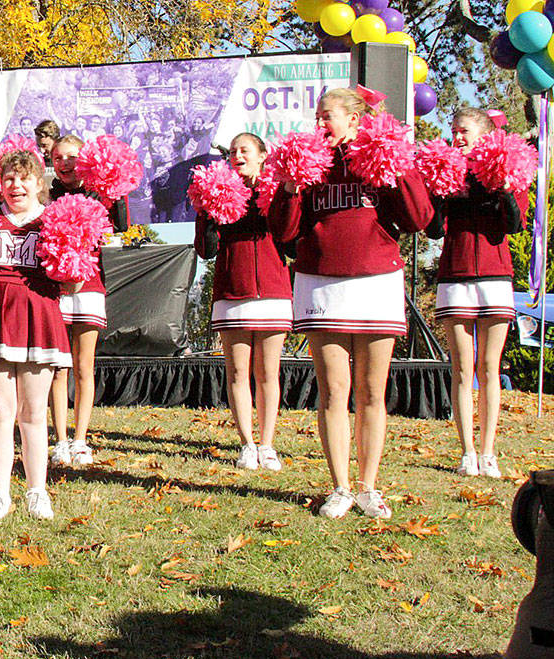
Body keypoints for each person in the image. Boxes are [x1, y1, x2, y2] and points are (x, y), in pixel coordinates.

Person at [268, 87, 433, 519]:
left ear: (355, 120)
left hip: (377, 279)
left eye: (328, 116)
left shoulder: (378, 157)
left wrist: (398, 165)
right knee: (332, 392)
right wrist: (288, 186)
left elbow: (418, 219)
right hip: (322, 282)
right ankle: (339, 486)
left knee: (372, 392)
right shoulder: (307, 162)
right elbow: (284, 232)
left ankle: (368, 487)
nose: (319, 124)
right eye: (317, 117)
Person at [0, 150, 70, 521]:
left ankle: (37, 491)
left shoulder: (55, 222)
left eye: (24, 178)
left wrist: (71, 257)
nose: (16, 185)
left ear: (39, 184)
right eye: (9, 178)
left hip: (38, 317)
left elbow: (71, 282)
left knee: (33, 411)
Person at [426, 108, 526, 479]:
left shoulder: (506, 167)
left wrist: (502, 190)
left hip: (495, 275)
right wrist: (439, 192)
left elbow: (514, 226)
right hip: (454, 276)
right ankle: (466, 451)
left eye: (463, 131)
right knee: (462, 368)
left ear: (484, 134)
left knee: (489, 367)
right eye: (453, 131)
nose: (457, 137)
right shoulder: (447, 169)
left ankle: (488, 452)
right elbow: (434, 230)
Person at [194, 134, 292, 471]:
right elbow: (206, 250)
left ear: (263, 156)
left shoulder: (277, 189)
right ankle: (247, 444)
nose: (237, 155)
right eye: (233, 151)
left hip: (274, 290)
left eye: (244, 150)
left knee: (268, 373)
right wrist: (207, 213)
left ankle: (267, 444)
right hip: (232, 291)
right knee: (237, 372)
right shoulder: (218, 191)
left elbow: (290, 237)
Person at [46, 135, 130, 468]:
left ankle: (80, 439)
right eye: (58, 157)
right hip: (56, 288)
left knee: (83, 366)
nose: (65, 163)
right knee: (57, 367)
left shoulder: (100, 193)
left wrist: (116, 187)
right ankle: (60, 440)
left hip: (91, 285)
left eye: (71, 157)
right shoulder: (45, 194)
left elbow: (122, 225)